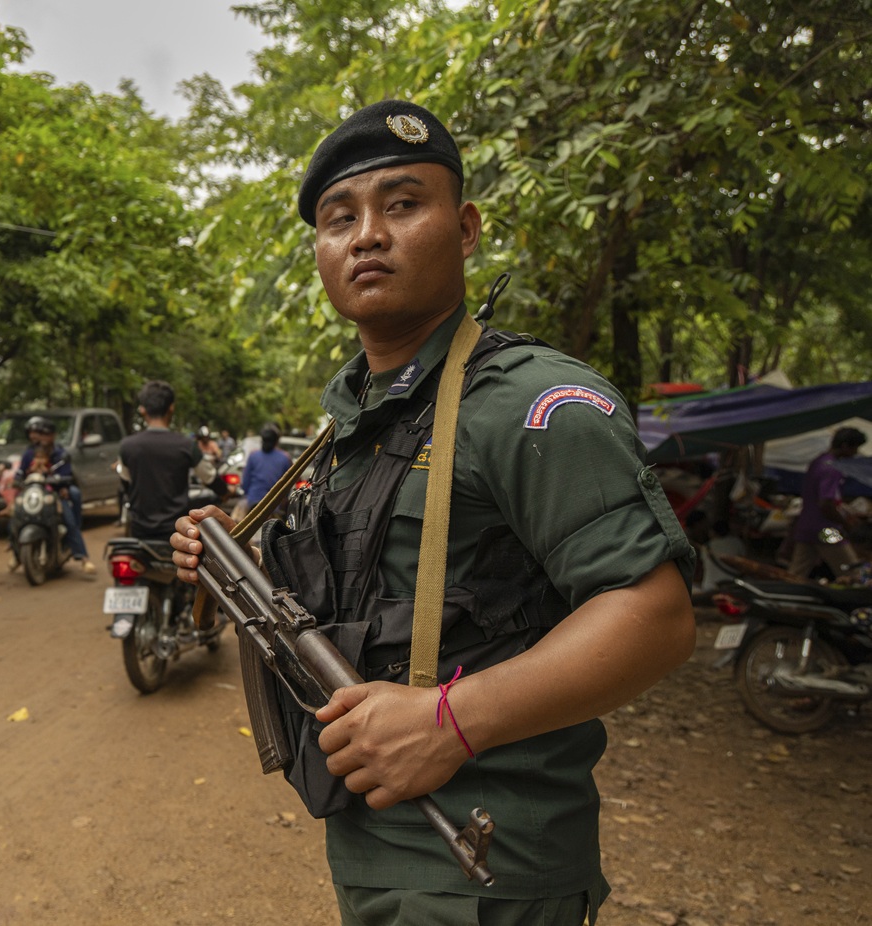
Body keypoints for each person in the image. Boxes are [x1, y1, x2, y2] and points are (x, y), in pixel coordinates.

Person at [171, 100, 696, 925]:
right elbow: (366, 585)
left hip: (486, 862)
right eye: (340, 219)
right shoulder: (354, 422)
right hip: (376, 845)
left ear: (466, 227)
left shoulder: (531, 403)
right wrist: (228, 557)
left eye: (403, 204)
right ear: (321, 251)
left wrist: (451, 722)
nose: (367, 236)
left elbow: (654, 616)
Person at [114, 381, 216, 636]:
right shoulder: (185, 445)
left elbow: (125, 482)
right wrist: (227, 491)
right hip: (176, 536)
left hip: (140, 533)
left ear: (142, 410)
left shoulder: (127, 446)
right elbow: (211, 478)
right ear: (171, 408)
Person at [8, 415, 95, 575]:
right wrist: (17, 480)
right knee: (15, 517)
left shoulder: (60, 454)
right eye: (40, 434)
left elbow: (67, 475)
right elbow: (20, 472)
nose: (42, 438)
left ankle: (83, 558)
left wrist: (61, 483)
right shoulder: (29, 453)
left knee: (69, 520)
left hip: (54, 494)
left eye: (46, 434)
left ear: (53, 435)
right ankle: (15, 553)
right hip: (33, 494)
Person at [787, 427, 867, 579]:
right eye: (854, 448)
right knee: (852, 571)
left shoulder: (818, 461)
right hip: (826, 531)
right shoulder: (832, 468)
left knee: (796, 573)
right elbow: (826, 504)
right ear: (845, 446)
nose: (855, 453)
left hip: (806, 527)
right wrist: (846, 524)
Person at [230, 423, 293, 520]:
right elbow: (288, 486)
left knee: (234, 522)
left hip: (252, 502)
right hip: (273, 506)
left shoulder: (253, 455)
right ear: (277, 441)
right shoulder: (285, 458)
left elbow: (245, 483)